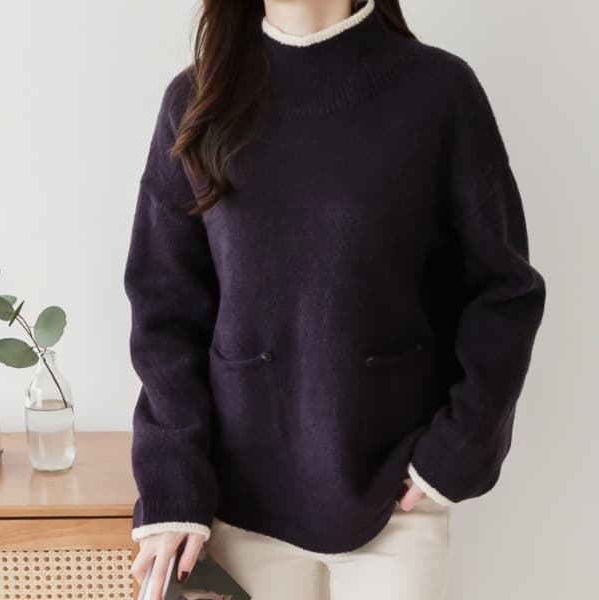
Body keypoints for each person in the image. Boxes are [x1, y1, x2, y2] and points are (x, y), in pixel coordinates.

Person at [125, 1, 546, 599]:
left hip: (395, 504)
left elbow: (503, 290)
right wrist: (173, 485)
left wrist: (458, 450)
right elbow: (165, 312)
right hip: (239, 506)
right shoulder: (196, 102)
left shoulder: (439, 93)